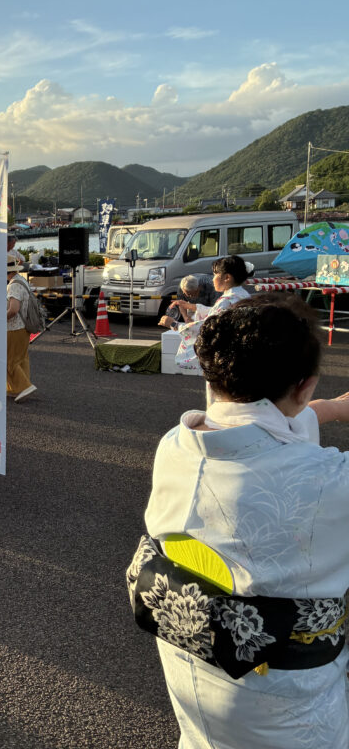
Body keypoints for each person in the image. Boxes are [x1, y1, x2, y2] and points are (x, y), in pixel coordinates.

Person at [131, 297, 349, 748]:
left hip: (191, 655)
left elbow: (256, 426)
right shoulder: (328, 481)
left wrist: (329, 408)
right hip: (284, 691)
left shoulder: (176, 444)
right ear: (304, 386)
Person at [167, 255, 252, 373]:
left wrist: (175, 325)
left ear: (227, 277)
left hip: (226, 357)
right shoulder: (244, 295)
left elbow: (207, 326)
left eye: (215, 274)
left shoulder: (226, 300)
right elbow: (219, 313)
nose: (213, 279)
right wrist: (192, 306)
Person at [6, 258, 36, 402]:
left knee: (9, 360)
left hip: (14, 327)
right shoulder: (22, 280)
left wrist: (1, 320)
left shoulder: (13, 285)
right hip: (24, 326)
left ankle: (23, 386)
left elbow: (13, 309)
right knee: (21, 358)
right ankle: (16, 389)